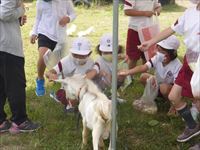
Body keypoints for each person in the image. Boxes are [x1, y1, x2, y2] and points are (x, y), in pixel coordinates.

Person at [139, 0, 200, 143]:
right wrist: (151, 42)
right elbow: (171, 29)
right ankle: (192, 126)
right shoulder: (189, 13)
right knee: (173, 96)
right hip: (190, 59)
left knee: (198, 97)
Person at [0, 0, 40, 134]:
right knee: (15, 85)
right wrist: (21, 10)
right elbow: (4, 13)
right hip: (8, 46)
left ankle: (1, 121)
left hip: (3, 42)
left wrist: (16, 17)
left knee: (1, 84)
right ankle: (20, 121)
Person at [118, 35, 182, 115]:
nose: (159, 53)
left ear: (171, 54)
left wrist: (175, 100)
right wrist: (128, 72)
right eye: (158, 50)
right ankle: (154, 97)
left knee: (164, 87)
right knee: (143, 77)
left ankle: (173, 105)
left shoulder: (177, 66)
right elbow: (143, 67)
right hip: (159, 84)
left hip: (170, 89)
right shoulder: (157, 58)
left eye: (162, 52)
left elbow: (178, 87)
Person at [30, 0, 76, 96]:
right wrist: (34, 32)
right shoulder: (40, 2)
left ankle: (63, 86)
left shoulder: (66, 1)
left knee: (62, 63)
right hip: (44, 33)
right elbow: (38, 18)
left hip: (60, 36)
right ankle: (40, 79)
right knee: (43, 57)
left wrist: (68, 19)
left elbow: (73, 14)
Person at [45, 37, 97, 111]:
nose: (78, 58)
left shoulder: (91, 62)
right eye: (75, 55)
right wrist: (51, 75)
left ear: (89, 53)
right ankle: (70, 106)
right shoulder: (66, 61)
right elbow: (49, 72)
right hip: (68, 89)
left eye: (82, 55)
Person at [124, 0, 161, 70]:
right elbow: (127, 11)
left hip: (148, 29)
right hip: (134, 29)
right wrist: (144, 13)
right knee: (133, 56)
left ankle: (144, 75)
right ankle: (129, 77)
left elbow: (158, 6)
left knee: (146, 55)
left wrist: (157, 11)